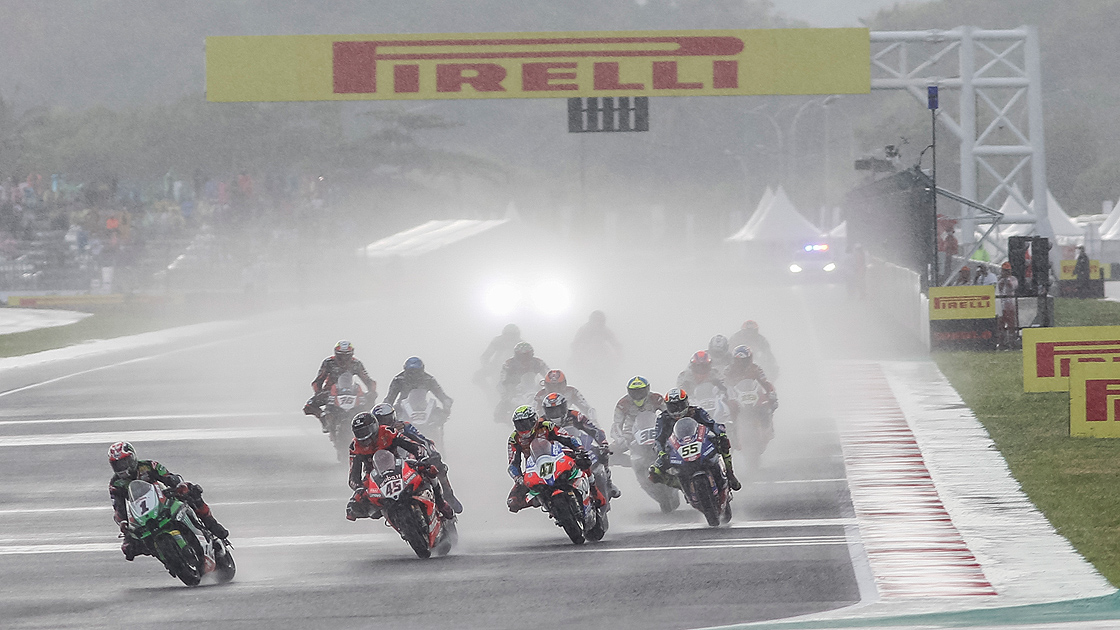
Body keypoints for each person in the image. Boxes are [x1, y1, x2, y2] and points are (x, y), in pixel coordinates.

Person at [108, 442, 229, 561]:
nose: (122, 468)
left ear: (132, 458)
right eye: (117, 465)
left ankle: (211, 524)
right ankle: (162, 554)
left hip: (164, 501)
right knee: (128, 548)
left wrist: (178, 486)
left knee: (191, 491)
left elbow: (169, 477)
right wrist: (123, 523)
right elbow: (118, 507)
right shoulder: (115, 484)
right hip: (142, 515)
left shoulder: (149, 466)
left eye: (124, 462)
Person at [345, 412, 455, 521]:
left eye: (365, 431)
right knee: (353, 506)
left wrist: (422, 458)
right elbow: (353, 477)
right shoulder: (355, 446)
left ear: (374, 427)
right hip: (374, 476)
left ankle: (441, 503)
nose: (364, 437)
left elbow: (415, 446)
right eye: (359, 433)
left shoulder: (387, 432)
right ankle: (388, 514)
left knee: (429, 470)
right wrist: (359, 488)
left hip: (398, 466)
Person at [370, 402, 463, 513]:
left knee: (437, 467)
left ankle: (447, 495)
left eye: (387, 420)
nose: (385, 424)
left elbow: (424, 440)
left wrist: (433, 453)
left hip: (411, 458)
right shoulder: (373, 439)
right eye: (381, 421)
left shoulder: (404, 426)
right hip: (391, 469)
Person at [648, 389, 741, 491]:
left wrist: (720, 434)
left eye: (679, 405)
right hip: (676, 451)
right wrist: (661, 453)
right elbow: (658, 439)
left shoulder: (697, 411)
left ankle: (730, 474)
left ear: (686, 403)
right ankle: (680, 485)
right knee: (654, 473)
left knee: (724, 443)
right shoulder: (662, 418)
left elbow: (712, 424)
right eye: (673, 407)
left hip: (701, 445)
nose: (677, 410)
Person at [506, 405, 592, 512]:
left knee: (583, 461)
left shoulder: (547, 426)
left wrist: (579, 449)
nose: (523, 428)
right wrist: (518, 478)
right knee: (513, 502)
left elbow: (568, 438)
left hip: (557, 457)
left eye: (525, 423)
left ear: (534, 420)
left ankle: (594, 490)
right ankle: (542, 500)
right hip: (534, 467)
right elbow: (513, 464)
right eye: (519, 425)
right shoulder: (514, 438)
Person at [542, 392, 620, 498]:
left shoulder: (575, 415)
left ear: (564, 407)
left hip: (581, 447)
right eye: (551, 411)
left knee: (602, 453)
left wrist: (603, 443)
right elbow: (535, 441)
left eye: (558, 410)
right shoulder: (542, 422)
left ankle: (609, 483)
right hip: (557, 454)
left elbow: (594, 429)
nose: (555, 414)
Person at [303, 340, 377, 429]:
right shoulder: (328, 362)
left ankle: (366, 424)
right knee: (309, 405)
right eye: (340, 356)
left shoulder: (356, 363)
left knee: (370, 404)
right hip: (330, 392)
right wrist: (318, 392)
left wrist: (372, 392)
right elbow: (318, 381)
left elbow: (368, 380)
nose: (344, 359)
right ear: (336, 354)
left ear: (351, 354)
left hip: (351, 390)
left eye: (346, 356)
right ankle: (324, 418)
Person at [494, 341, 549, 422]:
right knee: (503, 405)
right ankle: (501, 416)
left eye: (527, 356)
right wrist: (507, 391)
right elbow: (503, 380)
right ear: (516, 355)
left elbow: (548, 374)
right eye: (521, 356)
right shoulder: (509, 364)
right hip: (515, 389)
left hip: (533, 388)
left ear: (531, 354)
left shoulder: (538, 362)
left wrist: (548, 385)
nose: (524, 359)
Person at [610, 376, 665, 452]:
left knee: (669, 443)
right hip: (630, 432)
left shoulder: (656, 398)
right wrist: (620, 438)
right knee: (611, 450)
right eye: (634, 392)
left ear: (647, 389)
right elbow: (616, 425)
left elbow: (668, 412)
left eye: (641, 391)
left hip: (653, 428)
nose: (638, 395)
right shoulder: (623, 403)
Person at [383, 356, 453, 411]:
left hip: (424, 409)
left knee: (438, 415)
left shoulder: (428, 379)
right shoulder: (398, 380)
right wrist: (385, 409)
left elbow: (440, 394)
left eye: (416, 372)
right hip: (402, 409)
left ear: (421, 370)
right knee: (394, 417)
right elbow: (390, 398)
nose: (414, 374)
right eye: (411, 372)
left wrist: (446, 403)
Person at [474, 323, 521, 389]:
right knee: (477, 376)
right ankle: (490, 393)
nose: (510, 337)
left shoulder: (521, 344)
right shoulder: (497, 341)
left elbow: (527, 359)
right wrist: (487, 366)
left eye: (512, 335)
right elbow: (485, 356)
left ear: (516, 335)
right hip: (496, 366)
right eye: (507, 334)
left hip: (514, 369)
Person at [996, 261, 1020, 348]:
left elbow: (1012, 287)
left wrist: (1007, 279)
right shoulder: (999, 279)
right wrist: (1002, 280)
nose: (1005, 272)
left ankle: (1012, 342)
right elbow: (998, 288)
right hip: (1000, 305)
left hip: (1010, 306)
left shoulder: (1013, 279)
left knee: (1011, 325)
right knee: (1000, 325)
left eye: (1007, 271)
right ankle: (1001, 342)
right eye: (1004, 270)